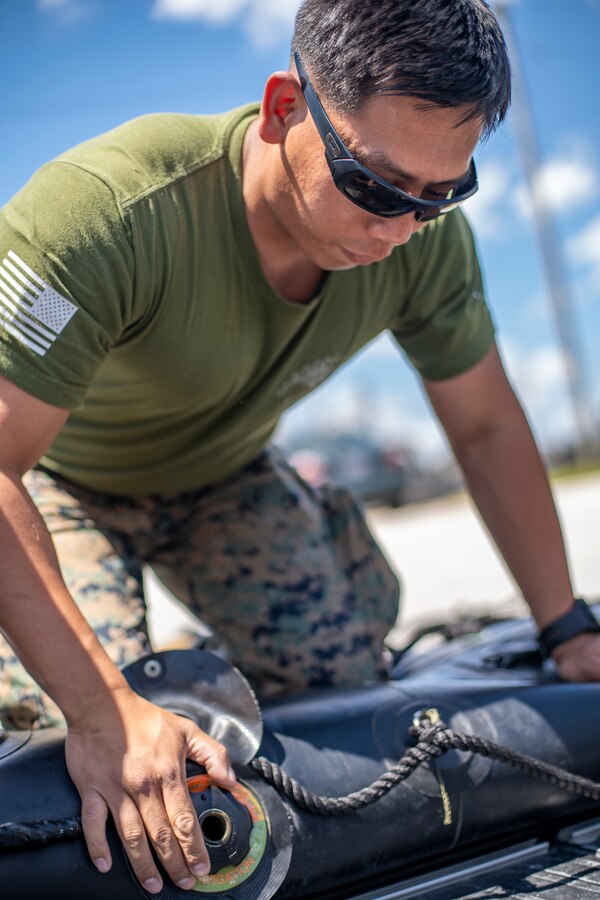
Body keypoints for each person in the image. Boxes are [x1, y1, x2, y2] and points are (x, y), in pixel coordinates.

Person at [1, 0, 599, 892]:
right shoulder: (111, 213)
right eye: (375, 186)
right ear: (285, 108)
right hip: (63, 485)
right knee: (73, 748)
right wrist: (100, 707)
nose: (401, 228)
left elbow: (484, 424)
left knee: (344, 684)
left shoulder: (421, 242)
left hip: (224, 475)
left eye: (445, 194)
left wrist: (566, 628)